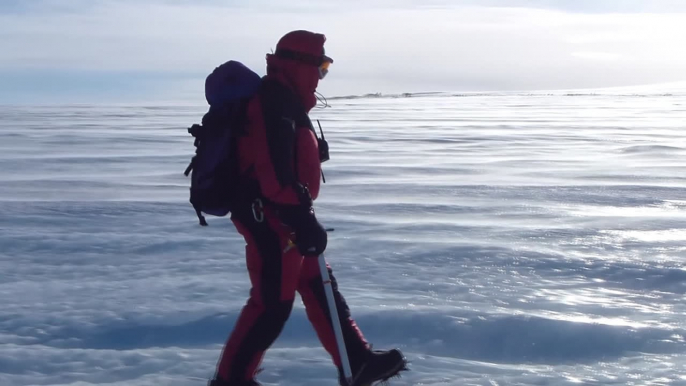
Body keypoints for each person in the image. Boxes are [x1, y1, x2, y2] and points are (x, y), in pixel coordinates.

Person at [208, 30, 408, 386]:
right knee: (271, 305)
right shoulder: (274, 103)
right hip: (272, 219)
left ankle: (357, 361)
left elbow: (285, 160)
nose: (322, 74)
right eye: (322, 65)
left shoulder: (286, 102)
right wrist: (299, 217)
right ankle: (231, 380)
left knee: (321, 289)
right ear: (299, 64)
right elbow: (271, 172)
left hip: (286, 216)